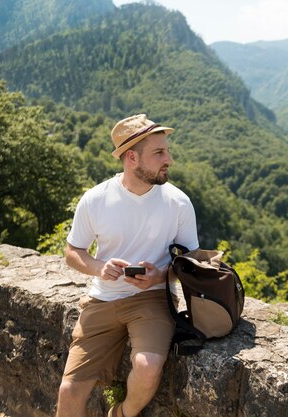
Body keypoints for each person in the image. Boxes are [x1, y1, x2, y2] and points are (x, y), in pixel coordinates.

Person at [55, 114, 199, 417]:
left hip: (152, 299)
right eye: (159, 152)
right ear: (132, 157)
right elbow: (72, 251)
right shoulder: (95, 199)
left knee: (147, 368)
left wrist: (160, 275)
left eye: (167, 150)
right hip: (102, 298)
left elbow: (191, 263)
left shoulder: (178, 202)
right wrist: (98, 267)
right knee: (69, 393)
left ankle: (121, 414)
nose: (168, 159)